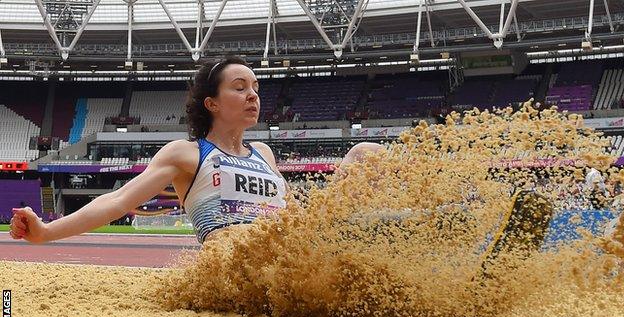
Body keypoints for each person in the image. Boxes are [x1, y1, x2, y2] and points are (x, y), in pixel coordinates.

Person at [9, 57, 382, 244]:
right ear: (212, 104)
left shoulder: (265, 154)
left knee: (365, 151)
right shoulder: (187, 154)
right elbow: (117, 200)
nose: (253, 94)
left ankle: (435, 212)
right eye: (239, 87)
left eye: (255, 86)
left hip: (291, 246)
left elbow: (292, 213)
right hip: (238, 259)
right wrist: (45, 232)